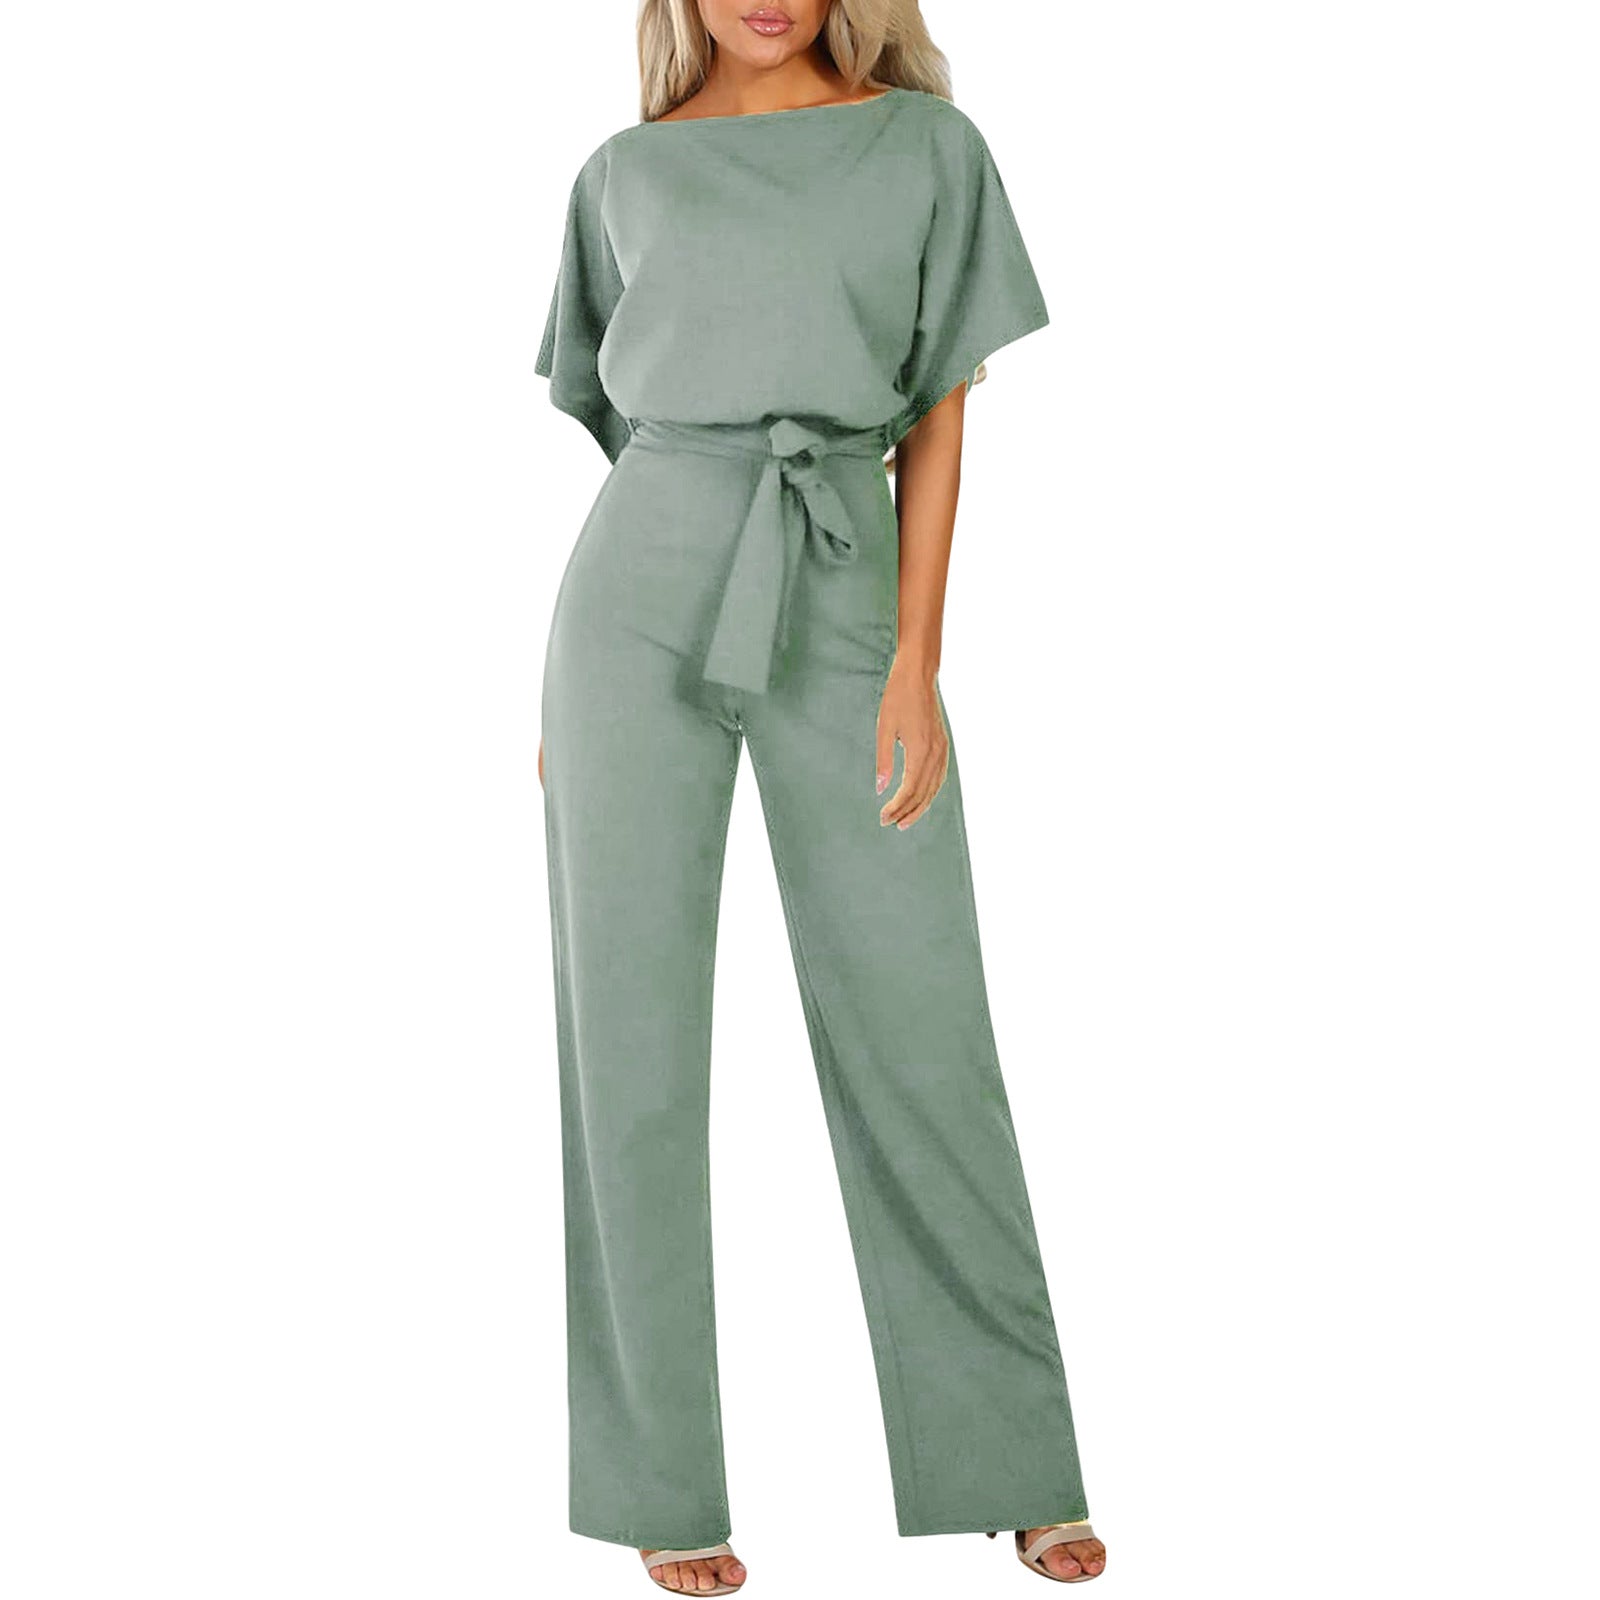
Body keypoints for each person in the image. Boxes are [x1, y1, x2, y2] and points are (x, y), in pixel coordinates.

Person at [533, 2, 1108, 1590]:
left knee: (923, 1029)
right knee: (626, 1044)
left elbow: (941, 411)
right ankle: (661, 1486)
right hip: (635, 599)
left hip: (844, 575)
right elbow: (623, 421)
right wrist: (571, 692)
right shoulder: (623, 171)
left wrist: (916, 659)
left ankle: (1015, 1462)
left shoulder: (927, 147)